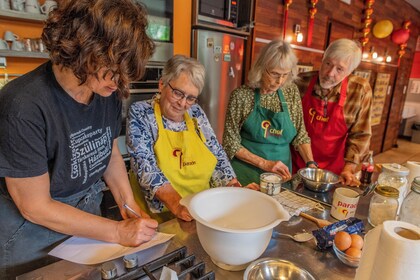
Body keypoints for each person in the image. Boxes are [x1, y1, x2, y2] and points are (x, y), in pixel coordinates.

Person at [0, 1, 158, 278]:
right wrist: (117, 231)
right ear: (83, 46)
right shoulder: (23, 106)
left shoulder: (107, 92)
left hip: (86, 215)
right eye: (113, 68)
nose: (122, 83)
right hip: (30, 232)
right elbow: (34, 206)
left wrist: (129, 209)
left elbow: (107, 151)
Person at [127, 55, 259, 222]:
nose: (182, 104)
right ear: (162, 85)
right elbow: (146, 167)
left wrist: (232, 186)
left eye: (190, 98)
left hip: (201, 209)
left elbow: (217, 154)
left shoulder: (195, 113)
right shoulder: (141, 113)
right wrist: (178, 206)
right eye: (178, 93)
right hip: (161, 217)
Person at [222, 39, 316, 186]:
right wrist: (265, 164)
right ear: (261, 68)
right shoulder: (241, 96)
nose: (280, 81)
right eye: (275, 74)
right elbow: (230, 143)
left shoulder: (291, 92)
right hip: (246, 176)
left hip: (280, 176)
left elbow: (300, 134)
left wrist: (311, 164)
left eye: (285, 75)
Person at [292, 38, 372, 186]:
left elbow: (360, 136)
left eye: (339, 69)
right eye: (328, 63)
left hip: (334, 173)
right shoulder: (299, 82)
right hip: (296, 165)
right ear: (322, 58)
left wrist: (349, 169)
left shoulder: (359, 90)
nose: (329, 73)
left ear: (350, 71)